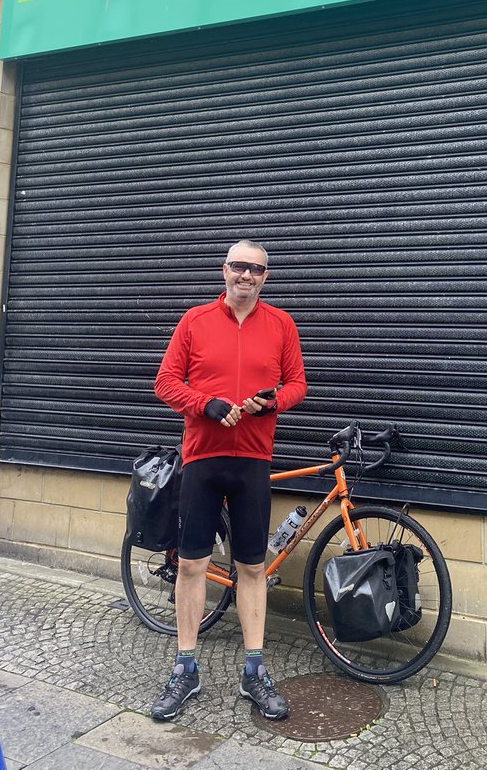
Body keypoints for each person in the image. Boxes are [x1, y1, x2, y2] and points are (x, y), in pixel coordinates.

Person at [149, 239, 307, 723]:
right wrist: (205, 404)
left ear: (265, 277)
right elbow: (165, 381)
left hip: (253, 462)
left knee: (253, 569)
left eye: (256, 269)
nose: (246, 275)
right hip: (203, 459)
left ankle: (253, 671)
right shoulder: (194, 321)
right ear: (224, 271)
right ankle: (185, 668)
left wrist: (273, 400)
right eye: (239, 266)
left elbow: (298, 383)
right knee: (192, 565)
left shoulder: (281, 324)